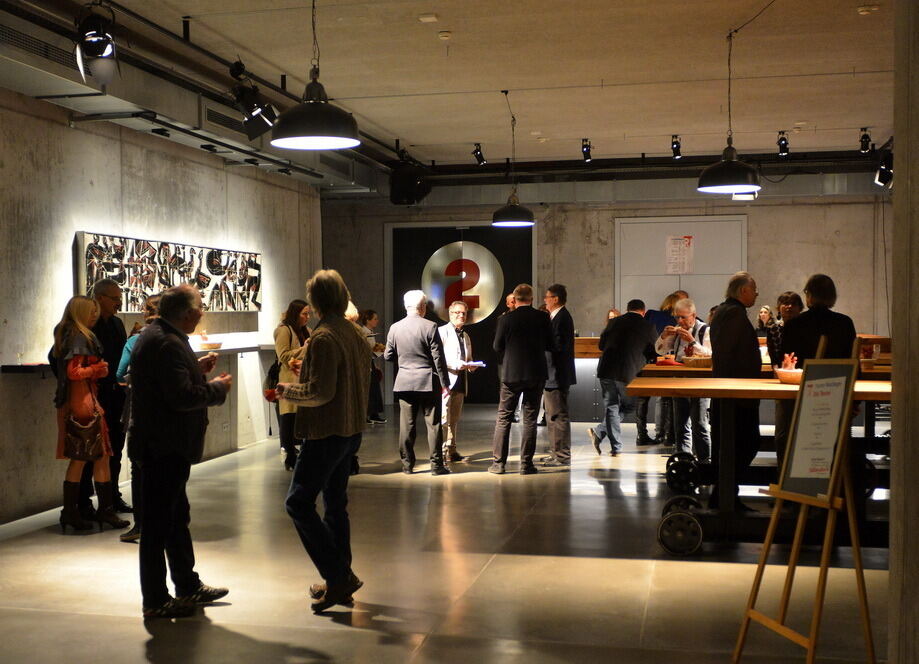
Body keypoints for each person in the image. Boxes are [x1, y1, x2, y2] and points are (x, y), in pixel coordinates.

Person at [130, 284, 233, 618]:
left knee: (174, 519)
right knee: (159, 525)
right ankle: (156, 600)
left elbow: (169, 385)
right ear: (188, 313)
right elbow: (181, 398)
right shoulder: (166, 342)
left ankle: (187, 586)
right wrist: (216, 388)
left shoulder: (160, 336)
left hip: (163, 445)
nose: (203, 311)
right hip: (165, 447)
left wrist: (196, 370)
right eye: (200, 306)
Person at [276, 269, 371, 613]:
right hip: (350, 429)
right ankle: (339, 580)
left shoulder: (324, 337)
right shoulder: (355, 333)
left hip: (326, 431)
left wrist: (287, 390)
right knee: (334, 504)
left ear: (315, 302)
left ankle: (337, 575)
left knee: (298, 503)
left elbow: (320, 392)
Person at [53, 295, 130, 533]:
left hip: (79, 400)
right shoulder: (79, 336)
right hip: (83, 402)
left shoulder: (68, 333)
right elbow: (74, 371)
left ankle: (81, 511)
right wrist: (99, 368)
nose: (95, 314)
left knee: (94, 457)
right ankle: (87, 511)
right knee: (88, 457)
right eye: (92, 310)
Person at [776, 275, 856, 469]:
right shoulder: (844, 323)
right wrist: (855, 401)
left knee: (787, 437)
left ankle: (788, 487)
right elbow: (853, 363)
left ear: (809, 296)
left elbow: (785, 361)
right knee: (835, 443)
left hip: (801, 396)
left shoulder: (795, 324)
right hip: (834, 397)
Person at [384, 290, 451, 475]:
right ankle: (436, 466)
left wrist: (405, 360)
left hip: (404, 381)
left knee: (407, 425)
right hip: (428, 381)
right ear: (422, 307)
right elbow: (439, 359)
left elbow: (388, 356)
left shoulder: (394, 328)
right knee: (434, 424)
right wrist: (445, 384)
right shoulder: (430, 326)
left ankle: (407, 465)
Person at [490, 284, 555, 475]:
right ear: (532, 298)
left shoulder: (506, 319)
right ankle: (526, 465)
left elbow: (497, 346)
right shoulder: (543, 317)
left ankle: (498, 464)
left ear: (515, 299)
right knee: (530, 420)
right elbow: (551, 344)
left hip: (511, 374)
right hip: (536, 373)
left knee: (504, 418)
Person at [709, 272, 762, 510]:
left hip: (732, 390)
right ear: (743, 291)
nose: (756, 293)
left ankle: (724, 495)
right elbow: (729, 355)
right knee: (745, 443)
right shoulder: (733, 314)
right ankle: (725, 497)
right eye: (754, 289)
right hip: (736, 393)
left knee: (733, 446)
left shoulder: (725, 311)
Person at [115, 294, 162, 543]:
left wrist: (132, 384)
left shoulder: (135, 340)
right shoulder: (174, 339)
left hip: (139, 409)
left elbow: (120, 373)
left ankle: (142, 524)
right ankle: (163, 523)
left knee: (138, 467)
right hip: (167, 414)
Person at [83, 279, 131, 514]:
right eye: (114, 298)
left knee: (115, 449)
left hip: (115, 395)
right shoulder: (86, 328)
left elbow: (120, 357)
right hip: (93, 397)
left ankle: (112, 497)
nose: (118, 302)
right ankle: (83, 502)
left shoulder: (117, 324)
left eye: (119, 297)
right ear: (100, 298)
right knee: (88, 452)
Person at [588, 299, 657, 456]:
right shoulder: (649, 327)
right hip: (629, 372)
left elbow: (601, 345)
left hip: (606, 369)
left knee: (611, 407)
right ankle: (601, 434)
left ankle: (614, 446)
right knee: (629, 406)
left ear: (627, 309)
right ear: (643, 312)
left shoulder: (614, 322)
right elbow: (654, 352)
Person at [655, 298, 712, 462]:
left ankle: (704, 462)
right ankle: (684, 461)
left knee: (700, 424)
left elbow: (711, 355)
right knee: (680, 425)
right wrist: (664, 336)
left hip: (700, 382)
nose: (679, 321)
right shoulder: (678, 331)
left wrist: (692, 341)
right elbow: (661, 351)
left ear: (693, 316)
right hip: (680, 380)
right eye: (677, 317)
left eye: (683, 317)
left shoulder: (704, 330)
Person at [644, 290, 687, 446]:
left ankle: (659, 433)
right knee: (669, 399)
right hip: (670, 362)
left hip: (655, 361)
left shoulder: (652, 315)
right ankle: (669, 434)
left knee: (661, 398)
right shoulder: (674, 320)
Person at [438, 301, 478, 464]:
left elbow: (468, 358)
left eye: (464, 313)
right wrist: (455, 364)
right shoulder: (442, 332)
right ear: (450, 313)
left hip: (461, 380)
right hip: (446, 380)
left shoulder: (466, 335)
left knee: (454, 418)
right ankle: (441, 451)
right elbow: (438, 357)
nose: (461, 315)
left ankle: (452, 450)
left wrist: (471, 365)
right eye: (457, 312)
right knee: (443, 418)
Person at [541, 284, 576, 467]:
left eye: (547, 297)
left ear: (555, 299)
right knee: (551, 415)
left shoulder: (562, 317)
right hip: (552, 375)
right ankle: (555, 452)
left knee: (558, 415)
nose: (545, 300)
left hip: (557, 375)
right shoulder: (556, 317)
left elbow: (558, 346)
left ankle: (561, 455)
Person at [275, 299, 310, 470]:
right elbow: (283, 355)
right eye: (304, 313)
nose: (307, 317)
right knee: (289, 418)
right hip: (289, 380)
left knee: (300, 417)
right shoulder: (284, 330)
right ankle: (289, 454)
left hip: (303, 380)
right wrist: (305, 348)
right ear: (296, 314)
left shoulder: (306, 330)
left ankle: (300, 454)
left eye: (309, 313)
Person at [359, 309, 386, 424]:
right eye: (375, 319)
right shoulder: (363, 332)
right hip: (365, 364)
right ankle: (366, 415)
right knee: (368, 390)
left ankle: (374, 414)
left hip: (370, 363)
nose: (377, 321)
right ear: (368, 320)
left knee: (374, 390)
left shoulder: (370, 331)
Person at [765, 291, 804, 366]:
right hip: (780, 368)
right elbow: (772, 352)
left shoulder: (805, 327)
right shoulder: (773, 328)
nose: (789, 306)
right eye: (786, 303)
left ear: (800, 308)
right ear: (779, 308)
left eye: (793, 304)